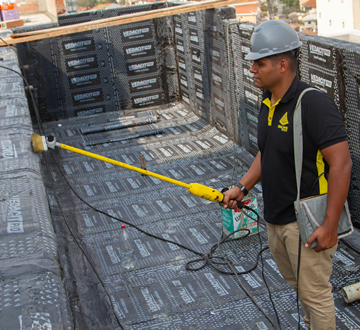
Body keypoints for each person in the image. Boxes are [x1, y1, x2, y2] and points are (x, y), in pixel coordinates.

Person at [220, 20, 352, 330]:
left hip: (305, 223)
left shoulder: (314, 104)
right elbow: (266, 153)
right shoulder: (269, 102)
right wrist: (242, 186)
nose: (252, 68)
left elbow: (342, 163)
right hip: (275, 219)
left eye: (259, 62)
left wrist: (329, 225)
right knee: (302, 291)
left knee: (316, 296)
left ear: (282, 64)